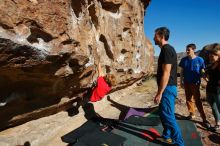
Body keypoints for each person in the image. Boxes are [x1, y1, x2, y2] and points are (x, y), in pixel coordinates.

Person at [153, 27, 184, 146]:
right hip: (168, 88)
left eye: (155, 36)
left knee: (168, 116)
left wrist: (159, 93)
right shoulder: (166, 49)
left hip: (167, 88)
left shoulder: (167, 50)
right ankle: (166, 136)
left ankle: (179, 143)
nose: (153, 38)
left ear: (161, 36)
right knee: (163, 113)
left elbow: (166, 73)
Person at [179, 44, 210, 128]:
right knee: (188, 99)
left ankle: (204, 119)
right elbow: (182, 71)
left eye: (189, 49)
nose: (187, 51)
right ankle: (191, 114)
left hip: (195, 83)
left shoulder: (200, 60)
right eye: (186, 49)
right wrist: (181, 81)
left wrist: (207, 80)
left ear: (193, 50)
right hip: (186, 82)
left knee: (197, 100)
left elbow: (202, 71)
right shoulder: (184, 60)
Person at [205, 47, 220, 131]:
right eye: (211, 54)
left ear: (218, 56)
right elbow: (207, 77)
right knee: (213, 107)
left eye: (214, 55)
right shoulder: (211, 65)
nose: (211, 56)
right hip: (209, 89)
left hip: (218, 91)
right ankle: (218, 123)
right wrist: (204, 74)